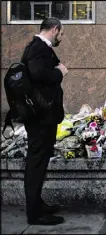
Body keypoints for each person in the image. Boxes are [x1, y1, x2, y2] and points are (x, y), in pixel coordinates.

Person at [23, 17, 68, 225]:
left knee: (39, 163)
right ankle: (34, 214)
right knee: (36, 163)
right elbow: (38, 73)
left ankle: (38, 204)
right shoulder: (38, 47)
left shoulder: (40, 47)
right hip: (40, 118)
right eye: (61, 33)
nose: (62, 37)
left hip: (43, 117)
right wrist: (59, 72)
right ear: (55, 29)